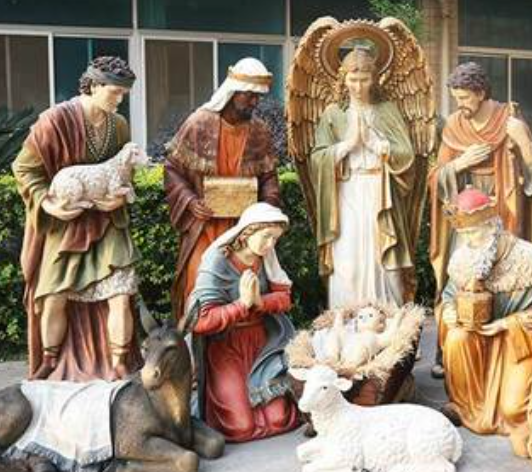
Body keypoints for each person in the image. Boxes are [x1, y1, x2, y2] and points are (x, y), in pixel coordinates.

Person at [13, 56, 141, 381]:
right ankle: (49, 359)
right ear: (94, 86)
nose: (120, 99)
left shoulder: (118, 125)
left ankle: (119, 362)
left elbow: (125, 172)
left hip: (109, 224)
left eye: (123, 93)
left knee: (121, 294)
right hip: (67, 224)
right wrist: (46, 203)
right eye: (115, 92)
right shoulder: (54, 121)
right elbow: (25, 169)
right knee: (54, 296)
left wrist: (121, 195)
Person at [428, 61, 532, 378]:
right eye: (456, 98)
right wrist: (459, 164)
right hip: (466, 215)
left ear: (481, 93)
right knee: (462, 276)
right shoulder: (453, 126)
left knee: (503, 274)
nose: (460, 104)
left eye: (464, 97)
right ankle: (453, 350)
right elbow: (437, 175)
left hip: (502, 209)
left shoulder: (509, 121)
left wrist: (524, 146)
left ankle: (503, 347)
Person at [440, 188, 532, 441]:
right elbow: (449, 297)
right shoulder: (464, 257)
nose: (469, 241)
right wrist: (449, 311)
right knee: (456, 337)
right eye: (463, 234)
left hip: (518, 344)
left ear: (492, 227)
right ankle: (464, 405)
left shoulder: (526, 257)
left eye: (473, 232)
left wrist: (507, 324)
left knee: (512, 410)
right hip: (478, 339)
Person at [164, 58, 281, 321]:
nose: (254, 102)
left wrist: (267, 210)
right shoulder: (198, 123)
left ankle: (240, 341)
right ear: (232, 92)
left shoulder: (259, 131)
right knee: (198, 280)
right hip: (206, 227)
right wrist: (190, 201)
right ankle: (197, 341)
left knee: (247, 284)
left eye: (258, 97)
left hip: (245, 229)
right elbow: (172, 169)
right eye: (249, 95)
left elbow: (269, 178)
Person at [308, 48, 418, 308]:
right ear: (343, 79)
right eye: (353, 80)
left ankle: (389, 315)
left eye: (364, 80)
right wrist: (346, 145)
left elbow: (407, 155)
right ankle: (345, 314)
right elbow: (317, 158)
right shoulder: (333, 113)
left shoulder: (386, 110)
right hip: (345, 193)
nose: (358, 87)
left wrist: (377, 144)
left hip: (380, 192)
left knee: (382, 255)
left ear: (375, 79)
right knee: (347, 256)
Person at [184, 202, 299, 442]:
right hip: (227, 348)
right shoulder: (217, 261)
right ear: (247, 232)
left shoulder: (266, 258)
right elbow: (200, 320)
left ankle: (259, 408)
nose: (271, 245)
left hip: (263, 346)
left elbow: (285, 298)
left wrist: (260, 302)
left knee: (279, 419)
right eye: (266, 237)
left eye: (275, 239)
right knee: (240, 427)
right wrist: (242, 305)